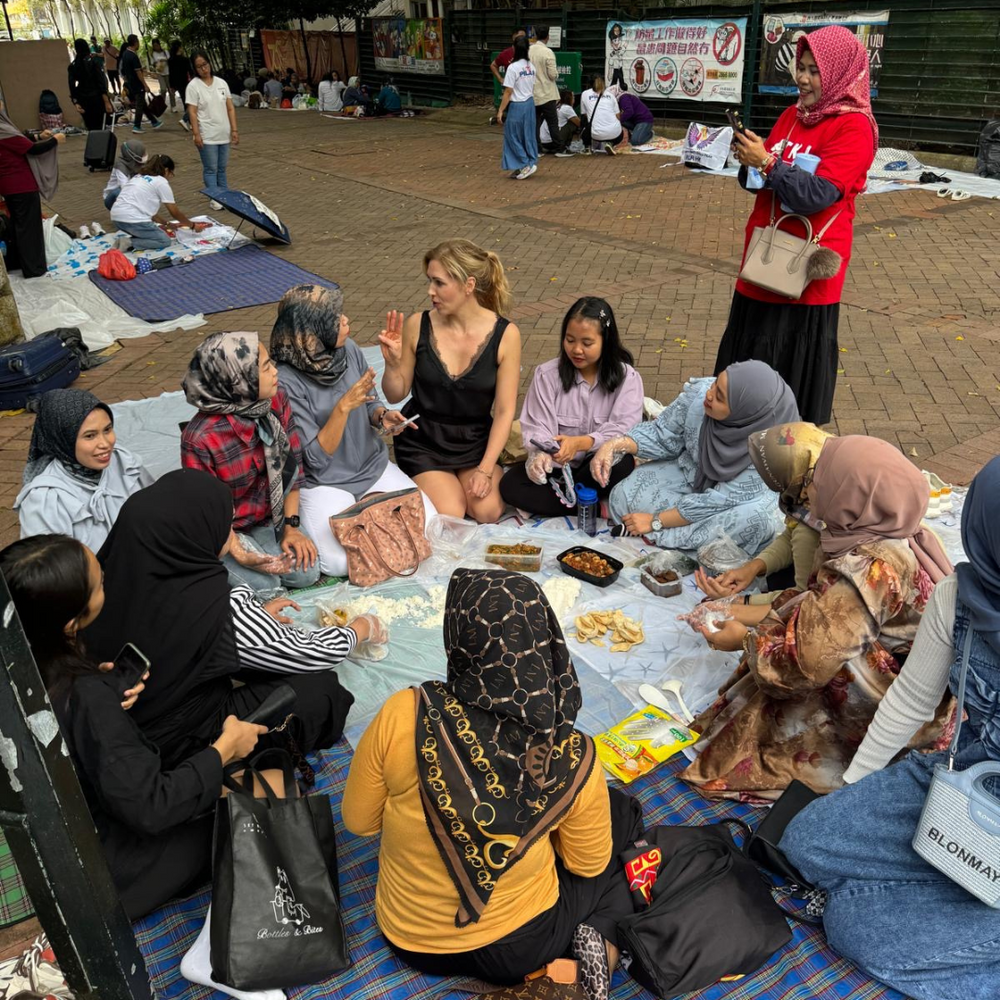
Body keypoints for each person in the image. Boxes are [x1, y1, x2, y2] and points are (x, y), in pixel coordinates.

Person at [344, 568, 644, 1000]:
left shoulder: (404, 712)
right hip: (519, 949)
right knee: (623, 819)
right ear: (545, 641)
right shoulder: (570, 752)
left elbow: (359, 822)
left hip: (409, 940)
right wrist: (532, 826)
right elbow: (587, 865)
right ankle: (596, 951)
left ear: (459, 637)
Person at [779, 457, 1000, 1000]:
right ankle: (959, 876)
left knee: (857, 926)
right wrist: (855, 790)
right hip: (964, 777)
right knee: (806, 842)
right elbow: (908, 701)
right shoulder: (962, 598)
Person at [682, 435, 954, 801]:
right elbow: (813, 600)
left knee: (776, 698)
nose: (811, 491)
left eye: (821, 480)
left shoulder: (869, 568)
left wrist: (745, 642)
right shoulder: (887, 530)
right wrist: (750, 615)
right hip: (913, 681)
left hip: (901, 706)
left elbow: (803, 667)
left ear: (854, 495)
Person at [716, 26, 878, 425]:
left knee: (786, 396)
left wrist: (768, 163)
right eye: (800, 68)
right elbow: (766, 180)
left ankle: (782, 474)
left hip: (803, 279)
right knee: (740, 385)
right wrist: (750, 164)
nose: (802, 79)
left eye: (814, 71)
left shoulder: (854, 127)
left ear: (840, 73)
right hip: (764, 260)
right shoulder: (792, 116)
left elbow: (820, 193)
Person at [270, 284, 438, 577]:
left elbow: (371, 402)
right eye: (335, 318)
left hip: (370, 466)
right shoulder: (286, 381)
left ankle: (373, 529)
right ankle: (371, 528)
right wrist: (342, 408)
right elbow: (315, 460)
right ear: (311, 329)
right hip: (324, 481)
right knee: (336, 563)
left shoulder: (346, 348)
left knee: (432, 529)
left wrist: (381, 416)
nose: (346, 320)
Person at [379, 241, 521, 523]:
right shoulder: (417, 325)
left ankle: (464, 478)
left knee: (488, 511)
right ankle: (435, 482)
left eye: (439, 283)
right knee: (451, 512)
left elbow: (505, 412)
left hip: (474, 440)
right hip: (424, 439)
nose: (430, 291)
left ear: (468, 285)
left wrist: (485, 468)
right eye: (430, 281)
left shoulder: (507, 334)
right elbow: (395, 394)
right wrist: (393, 365)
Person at [597, 360, 799, 555]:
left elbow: (715, 502)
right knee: (623, 494)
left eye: (720, 397)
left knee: (755, 523)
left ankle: (654, 533)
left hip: (733, 503)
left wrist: (655, 521)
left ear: (745, 413)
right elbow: (662, 433)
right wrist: (616, 444)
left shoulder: (767, 450)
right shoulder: (700, 397)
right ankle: (671, 540)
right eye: (715, 384)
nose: (709, 395)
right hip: (689, 473)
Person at [181, 330, 322, 592]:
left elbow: (293, 467)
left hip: (268, 519)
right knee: (263, 585)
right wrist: (240, 552)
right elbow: (205, 514)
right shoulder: (200, 438)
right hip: (225, 532)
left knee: (306, 572)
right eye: (266, 366)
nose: (275, 371)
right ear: (238, 379)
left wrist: (291, 528)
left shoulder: (274, 400)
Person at [500, 297, 643, 517]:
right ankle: (592, 506)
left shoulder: (627, 379)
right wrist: (542, 456)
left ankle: (567, 503)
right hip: (558, 472)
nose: (576, 350)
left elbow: (625, 429)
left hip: (594, 468)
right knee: (510, 484)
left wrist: (580, 444)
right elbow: (537, 426)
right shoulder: (547, 375)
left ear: (606, 341)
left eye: (587, 343)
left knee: (621, 463)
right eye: (569, 340)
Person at [696, 421, 831, 606]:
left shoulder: (811, 527)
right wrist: (752, 568)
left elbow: (801, 600)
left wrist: (737, 603)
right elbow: (790, 536)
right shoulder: (827, 471)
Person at [14, 389, 152, 550]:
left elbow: (156, 505)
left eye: (107, 430)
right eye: (90, 436)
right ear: (63, 439)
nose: (105, 443)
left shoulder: (123, 462)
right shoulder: (47, 500)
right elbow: (53, 568)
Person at [0, 102, 63, 278]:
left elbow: (19, 144)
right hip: (21, 184)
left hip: (9, 185)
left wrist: (37, 136)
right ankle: (34, 268)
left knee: (19, 226)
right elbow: (33, 150)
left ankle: (20, 263)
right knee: (29, 228)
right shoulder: (2, 129)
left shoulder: (4, 130)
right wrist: (54, 140)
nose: (3, 103)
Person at [110, 154, 208, 250]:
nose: (170, 176)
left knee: (149, 231)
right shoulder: (161, 182)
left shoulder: (138, 177)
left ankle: (137, 238)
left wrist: (166, 224)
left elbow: (147, 212)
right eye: (171, 173)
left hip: (117, 218)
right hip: (133, 220)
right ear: (166, 170)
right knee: (163, 241)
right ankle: (128, 243)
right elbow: (174, 212)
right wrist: (193, 226)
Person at [186, 50, 237, 209]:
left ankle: (225, 195)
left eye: (205, 65)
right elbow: (192, 112)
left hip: (224, 132)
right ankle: (215, 197)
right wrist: (196, 134)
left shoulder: (221, 83)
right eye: (199, 67)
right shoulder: (193, 86)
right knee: (210, 168)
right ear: (195, 69)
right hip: (207, 134)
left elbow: (230, 108)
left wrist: (234, 130)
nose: (203, 69)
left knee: (222, 168)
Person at [497, 35, 538, 181]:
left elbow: (508, 91)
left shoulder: (513, 68)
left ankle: (525, 163)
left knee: (512, 135)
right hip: (529, 104)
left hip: (517, 105)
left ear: (514, 48)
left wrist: (501, 110)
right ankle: (526, 163)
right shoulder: (531, 67)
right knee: (527, 135)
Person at [530, 26, 568, 156]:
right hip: (547, 93)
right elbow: (552, 75)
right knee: (552, 122)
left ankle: (537, 149)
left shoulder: (528, 51)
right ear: (548, 37)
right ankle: (559, 148)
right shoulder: (547, 52)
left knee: (534, 123)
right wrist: (556, 74)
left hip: (532, 93)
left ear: (535, 35)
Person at [119, 34, 163, 135]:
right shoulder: (133, 56)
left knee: (142, 103)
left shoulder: (125, 54)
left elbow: (124, 70)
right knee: (140, 104)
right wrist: (145, 84)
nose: (139, 43)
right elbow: (138, 72)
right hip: (137, 84)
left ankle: (154, 121)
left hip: (131, 83)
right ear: (135, 42)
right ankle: (137, 125)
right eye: (138, 41)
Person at [68, 38, 113, 132]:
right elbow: (101, 82)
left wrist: (75, 102)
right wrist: (107, 101)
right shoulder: (93, 62)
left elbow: (72, 85)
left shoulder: (73, 65)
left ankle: (94, 143)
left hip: (83, 99)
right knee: (101, 125)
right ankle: (101, 144)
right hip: (96, 98)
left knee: (90, 126)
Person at [580, 75, 622, 154]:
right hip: (615, 133)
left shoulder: (585, 94)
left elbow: (584, 114)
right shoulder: (611, 95)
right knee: (620, 132)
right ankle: (610, 143)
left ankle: (587, 147)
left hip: (595, 134)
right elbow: (618, 116)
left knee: (585, 123)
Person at [102, 137, 145, 210]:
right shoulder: (120, 166)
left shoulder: (136, 163)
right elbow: (125, 187)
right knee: (120, 191)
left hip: (129, 194)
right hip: (112, 198)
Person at [540, 90, 580, 154]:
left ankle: (550, 149)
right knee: (572, 124)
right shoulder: (567, 108)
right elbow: (579, 123)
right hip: (553, 142)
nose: (574, 99)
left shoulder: (555, 106)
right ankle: (564, 148)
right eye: (573, 97)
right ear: (569, 98)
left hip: (543, 142)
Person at [168, 41, 193, 130]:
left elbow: (171, 74)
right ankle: (187, 120)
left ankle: (189, 121)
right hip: (186, 83)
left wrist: (172, 86)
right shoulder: (185, 60)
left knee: (185, 102)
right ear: (179, 48)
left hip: (178, 84)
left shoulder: (170, 60)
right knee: (191, 103)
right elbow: (190, 71)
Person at [150, 39, 173, 111]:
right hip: (160, 73)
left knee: (171, 90)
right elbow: (153, 63)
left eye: (157, 45)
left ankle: (173, 106)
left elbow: (169, 59)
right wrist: (156, 64)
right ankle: (162, 104)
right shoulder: (153, 54)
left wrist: (164, 59)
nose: (156, 47)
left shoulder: (165, 52)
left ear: (159, 45)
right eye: (154, 46)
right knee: (163, 89)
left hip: (168, 72)